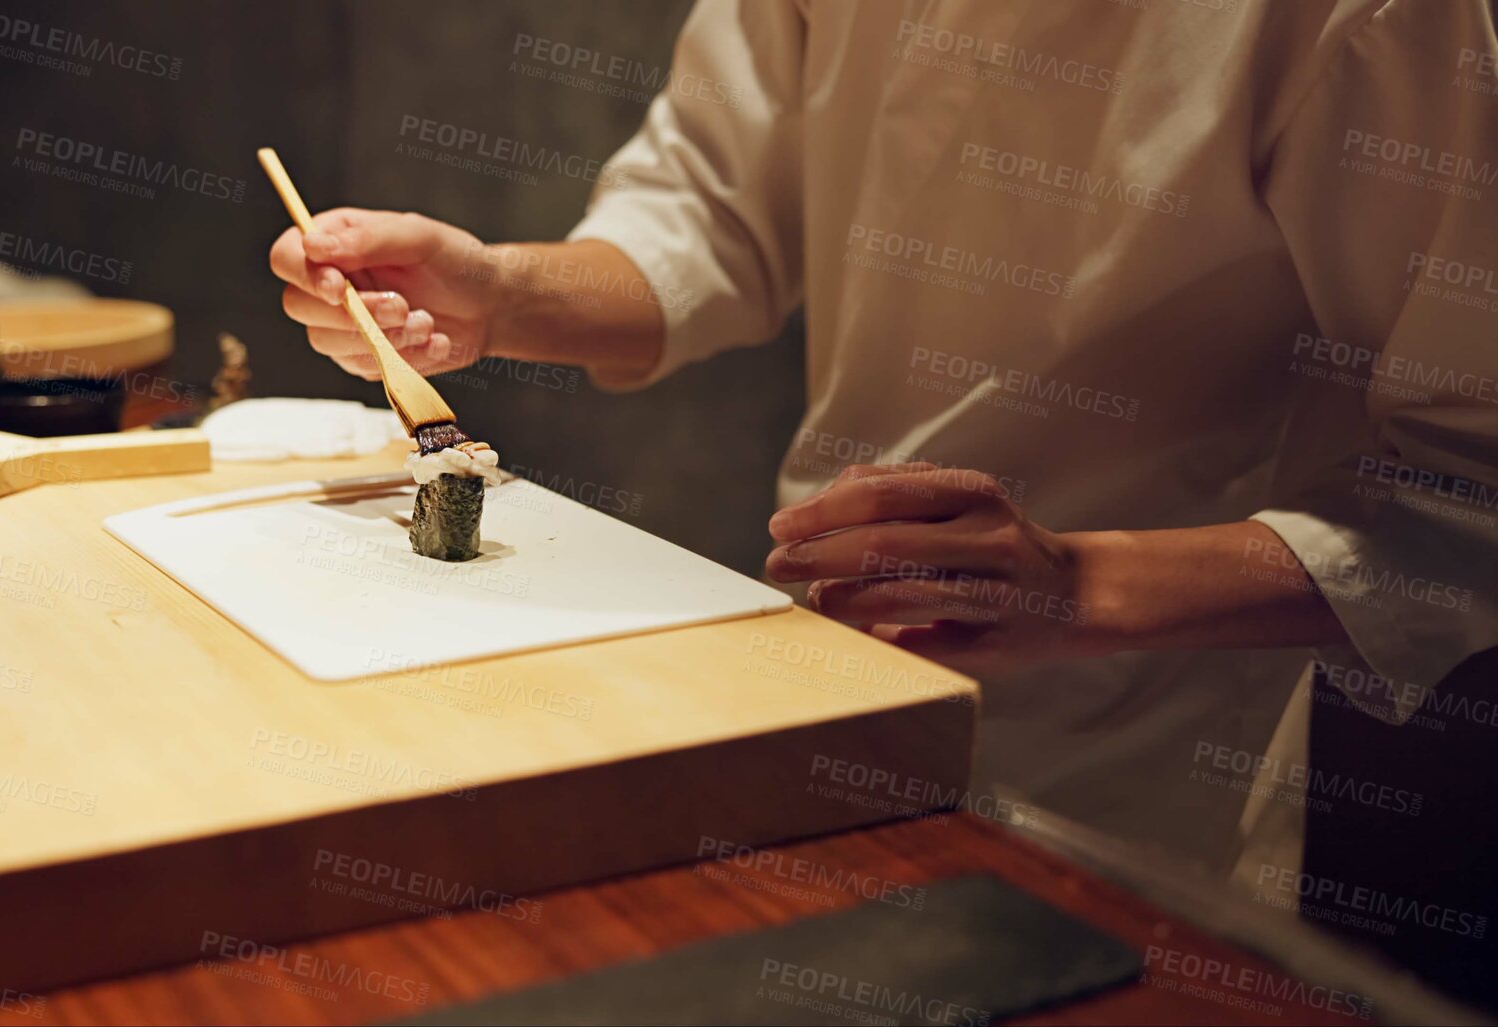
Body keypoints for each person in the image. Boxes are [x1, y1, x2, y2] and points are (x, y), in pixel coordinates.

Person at [268, 0, 1498, 878]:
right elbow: (705, 207)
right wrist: (496, 289)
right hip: (826, 676)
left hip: (1152, 760)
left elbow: (1467, 498)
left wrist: (1080, 582)